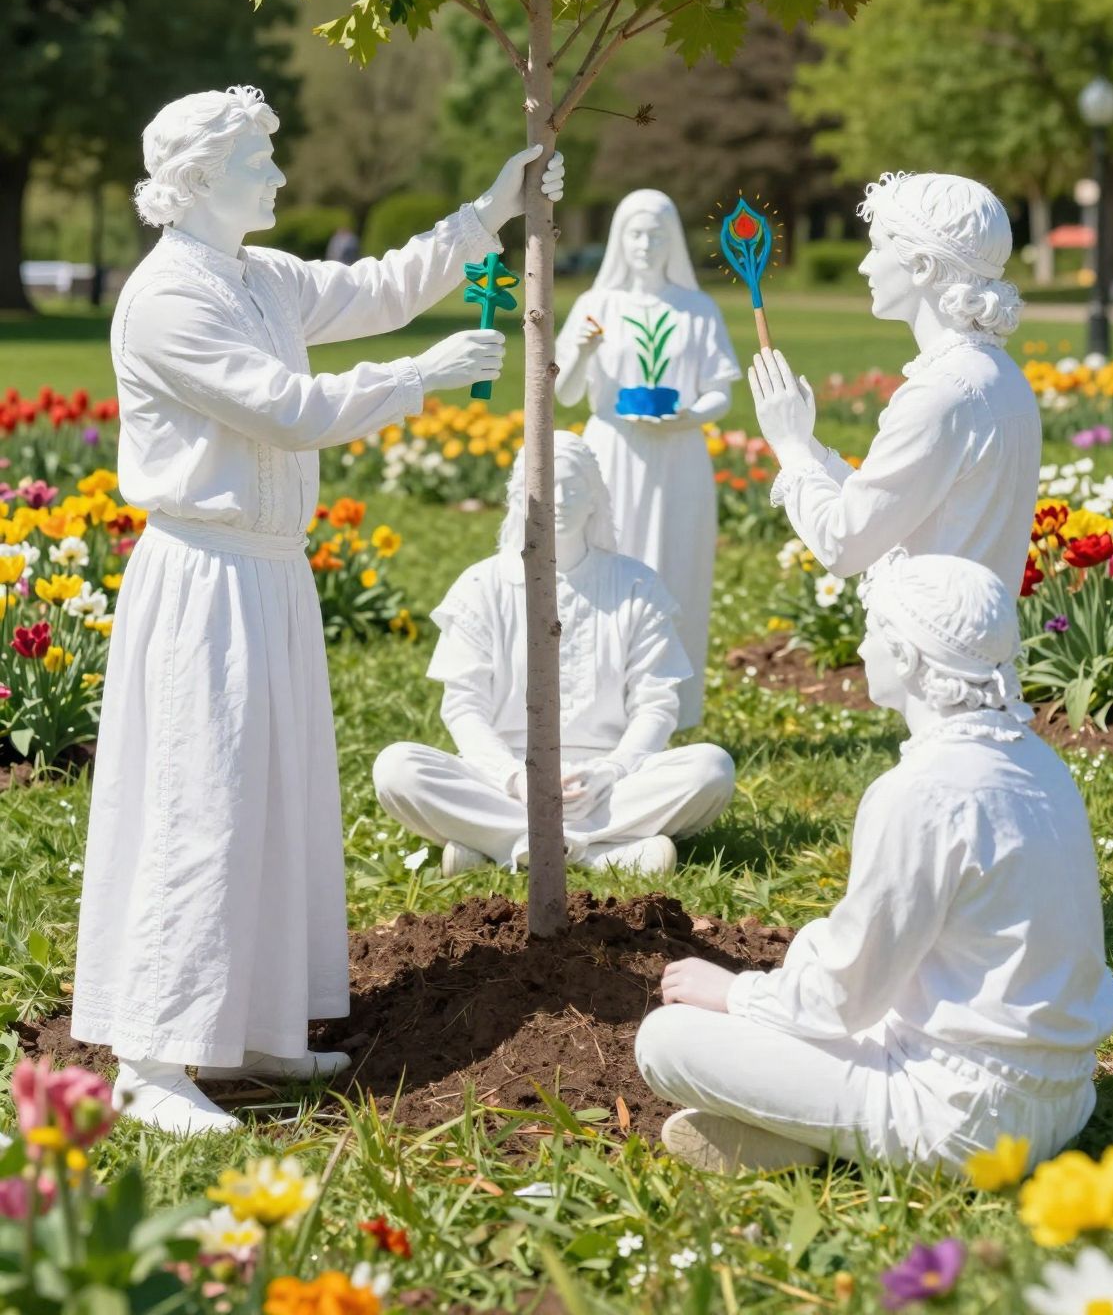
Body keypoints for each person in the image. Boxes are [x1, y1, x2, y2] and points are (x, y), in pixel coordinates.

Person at [70, 83, 563, 1136]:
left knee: (271, 796)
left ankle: (250, 1028)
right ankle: (154, 1059)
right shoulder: (169, 299)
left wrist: (486, 211)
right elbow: (288, 411)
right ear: (198, 175)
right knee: (200, 796)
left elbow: (378, 285)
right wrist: (421, 375)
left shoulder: (257, 275)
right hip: (204, 575)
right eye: (261, 159)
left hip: (268, 571)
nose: (281, 176)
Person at [635, 552, 1113, 1175]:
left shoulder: (919, 791)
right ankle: (806, 1137)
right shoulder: (1042, 766)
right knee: (815, 944)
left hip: (966, 1122)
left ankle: (828, 1137)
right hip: (1066, 1099)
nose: (862, 649)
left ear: (910, 657)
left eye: (873, 632)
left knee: (668, 1039)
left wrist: (736, 993)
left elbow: (844, 1000)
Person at [373, 434, 735, 875]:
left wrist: (609, 772)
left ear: (594, 499)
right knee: (397, 769)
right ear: (518, 497)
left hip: (609, 785)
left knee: (711, 768)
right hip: (504, 781)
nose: (558, 500)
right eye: (544, 486)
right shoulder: (480, 587)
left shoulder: (636, 586)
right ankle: (606, 853)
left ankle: (497, 846)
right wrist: (514, 777)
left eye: (573, 487)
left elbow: (656, 705)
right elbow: (464, 707)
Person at [749, 172, 1041, 589]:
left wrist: (791, 448)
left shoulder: (941, 393)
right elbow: (890, 509)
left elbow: (843, 543)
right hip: (974, 640)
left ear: (922, 265)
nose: (864, 264)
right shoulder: (999, 374)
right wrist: (808, 443)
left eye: (877, 246)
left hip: (925, 646)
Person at [555, 191, 740, 726]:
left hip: (677, 458)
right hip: (612, 454)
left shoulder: (696, 309)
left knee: (676, 566)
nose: (645, 245)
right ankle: (602, 707)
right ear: (618, 239)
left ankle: (669, 708)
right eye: (635, 233)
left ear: (673, 242)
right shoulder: (598, 304)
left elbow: (720, 391)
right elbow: (565, 393)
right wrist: (584, 352)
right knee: (607, 567)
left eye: (657, 234)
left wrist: (692, 415)